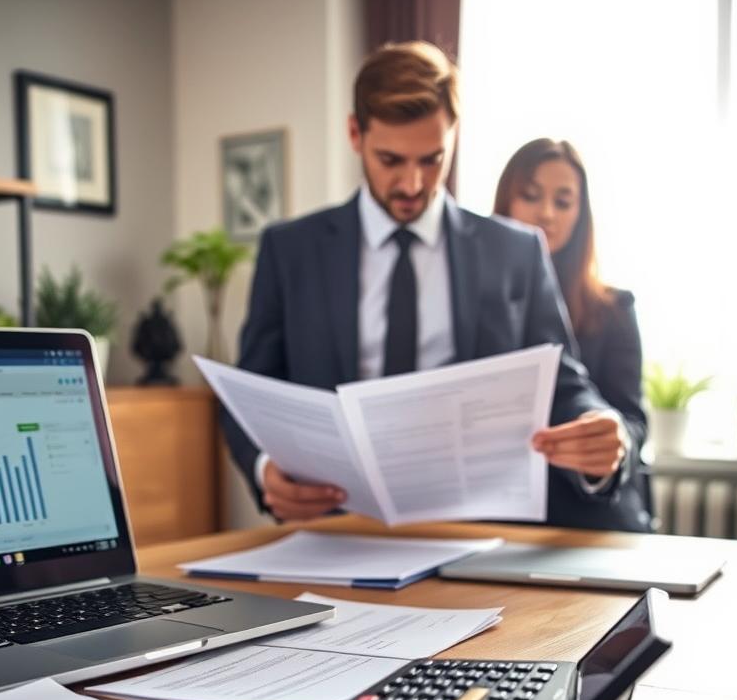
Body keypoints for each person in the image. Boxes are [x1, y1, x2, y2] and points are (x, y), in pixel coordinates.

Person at [221, 40, 638, 529]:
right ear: (355, 133)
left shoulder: (516, 251)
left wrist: (601, 429)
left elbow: (563, 384)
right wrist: (264, 470)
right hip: (336, 529)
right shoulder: (290, 250)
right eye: (391, 160)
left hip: (477, 533)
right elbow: (249, 394)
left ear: (454, 137)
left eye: (432, 160)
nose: (413, 184)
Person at [494, 138, 651, 531]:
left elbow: (632, 422)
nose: (546, 213)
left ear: (581, 213)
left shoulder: (613, 309)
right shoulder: (472, 303)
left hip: (586, 519)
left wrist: (609, 440)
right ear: (505, 201)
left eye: (563, 202)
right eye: (530, 196)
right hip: (492, 517)